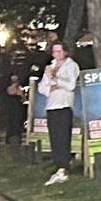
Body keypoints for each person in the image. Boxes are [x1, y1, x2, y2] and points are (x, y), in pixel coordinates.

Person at [37, 41, 79, 185]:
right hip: (51, 107)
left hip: (63, 106)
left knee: (62, 137)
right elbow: (41, 87)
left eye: (59, 51)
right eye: (54, 52)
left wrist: (56, 80)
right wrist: (51, 87)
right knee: (54, 138)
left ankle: (63, 168)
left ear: (65, 52)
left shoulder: (71, 66)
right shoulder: (51, 66)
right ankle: (58, 167)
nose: (56, 54)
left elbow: (71, 85)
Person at [2, 70, 28, 152]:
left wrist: (22, 95)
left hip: (18, 109)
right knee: (11, 125)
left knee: (17, 125)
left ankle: (16, 139)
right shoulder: (9, 88)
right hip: (11, 109)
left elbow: (24, 99)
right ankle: (11, 140)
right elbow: (11, 92)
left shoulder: (20, 89)